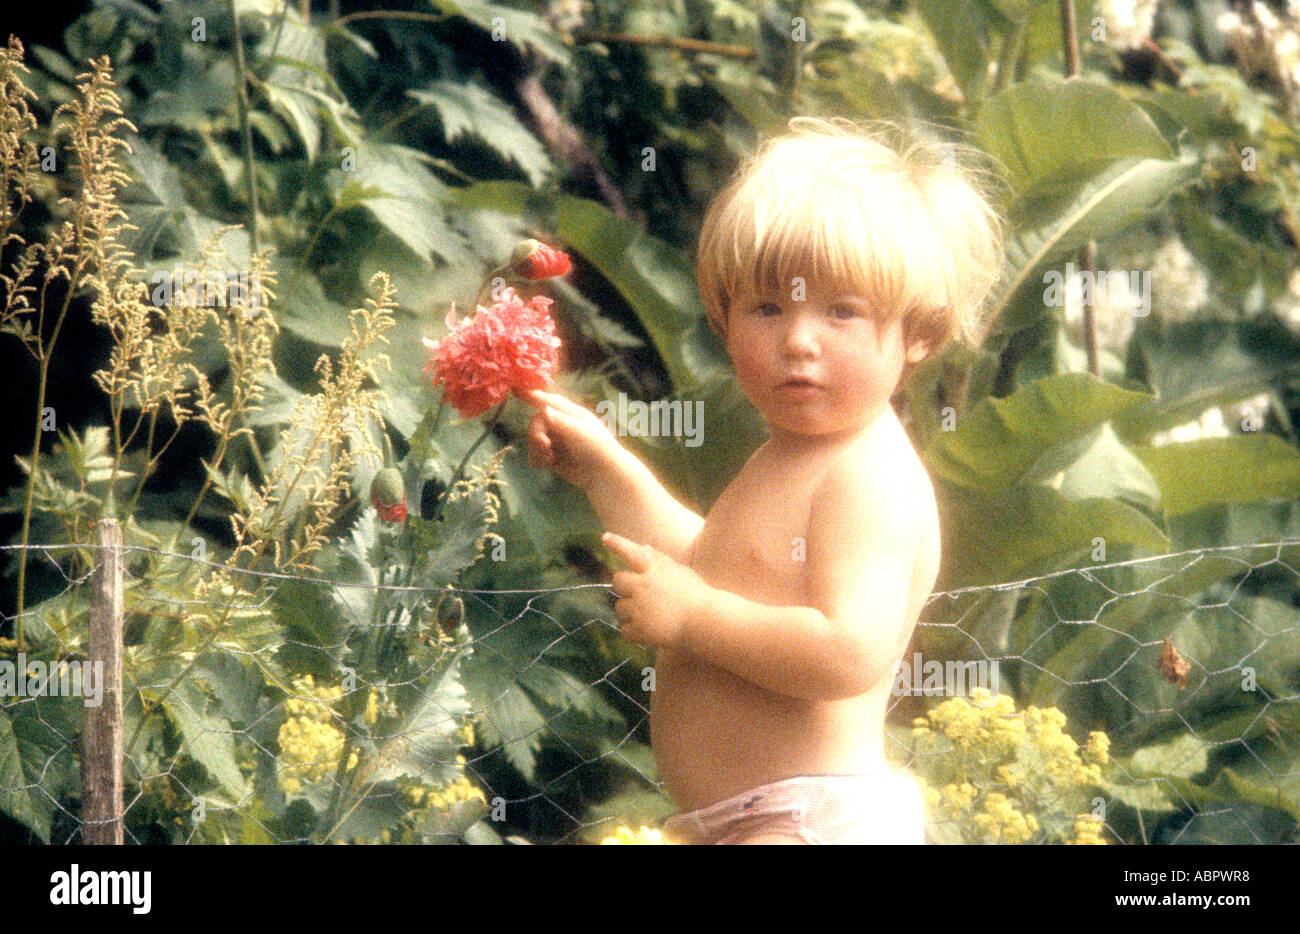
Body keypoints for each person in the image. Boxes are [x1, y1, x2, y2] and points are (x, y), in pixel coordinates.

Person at [523, 117, 1004, 844]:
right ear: (723, 318)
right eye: (767, 307)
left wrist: (691, 620)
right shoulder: (791, 455)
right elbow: (713, 560)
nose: (798, 340)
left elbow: (848, 651)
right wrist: (604, 469)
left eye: (842, 311)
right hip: (751, 819)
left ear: (919, 335)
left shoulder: (868, 477)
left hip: (809, 820)